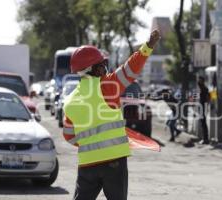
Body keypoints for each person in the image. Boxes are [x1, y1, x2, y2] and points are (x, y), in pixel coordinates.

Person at [62, 30, 160, 200]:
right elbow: (130, 69)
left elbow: (69, 136)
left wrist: (90, 144)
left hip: (87, 163)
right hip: (114, 162)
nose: (105, 69)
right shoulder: (108, 86)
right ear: (96, 69)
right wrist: (148, 46)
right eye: (103, 65)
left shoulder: (70, 101)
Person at [198, 76, 210, 144]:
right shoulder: (201, 88)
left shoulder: (204, 88)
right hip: (201, 106)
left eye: (200, 80)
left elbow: (207, 98)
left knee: (203, 123)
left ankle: (205, 139)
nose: (199, 82)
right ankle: (204, 138)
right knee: (202, 123)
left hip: (203, 107)